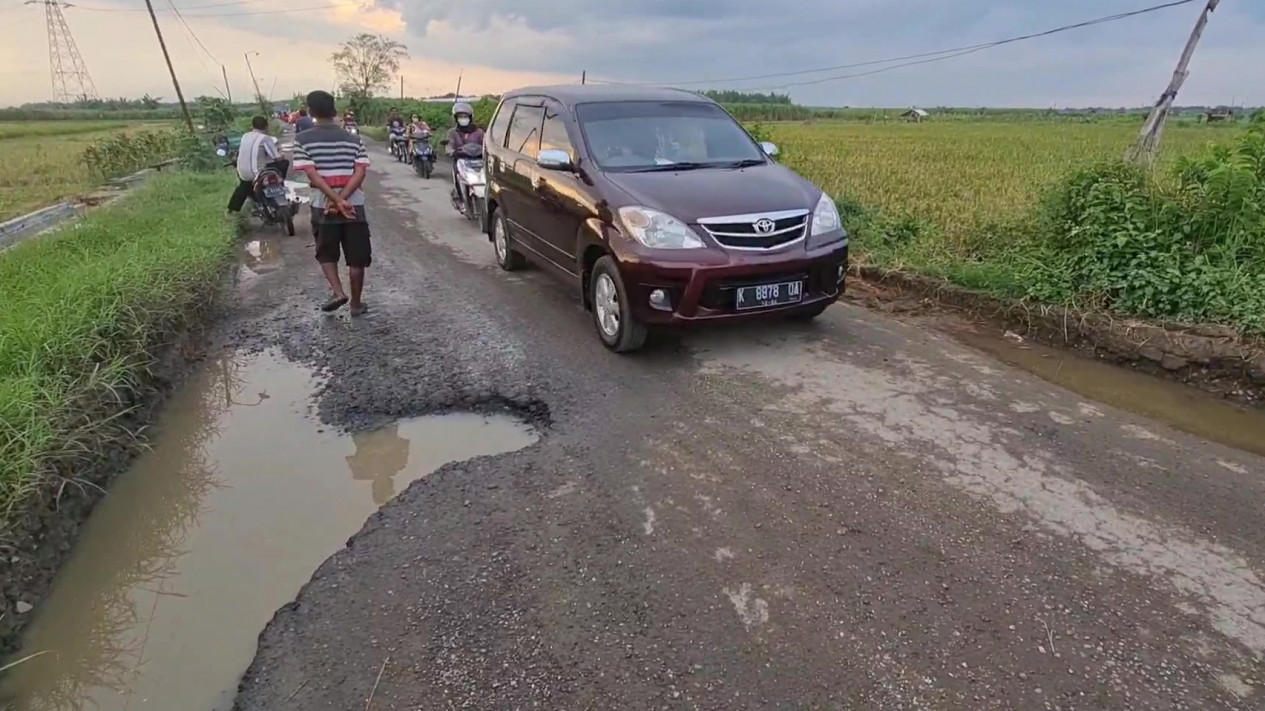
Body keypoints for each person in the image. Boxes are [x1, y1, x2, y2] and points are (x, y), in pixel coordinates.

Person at [292, 90, 373, 317]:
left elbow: (313, 176)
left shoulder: (302, 140)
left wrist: (334, 201)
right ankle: (356, 304)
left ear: (309, 112)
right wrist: (344, 199)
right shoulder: (354, 139)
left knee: (327, 252)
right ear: (334, 110)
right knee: (357, 256)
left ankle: (338, 292)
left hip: (322, 204)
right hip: (354, 204)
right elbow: (360, 173)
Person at [226, 115, 287, 215]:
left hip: (243, 173)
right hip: (258, 174)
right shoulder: (265, 138)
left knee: (243, 187)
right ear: (266, 126)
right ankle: (280, 182)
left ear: (253, 126)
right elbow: (276, 157)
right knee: (283, 163)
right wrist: (282, 156)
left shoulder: (245, 136)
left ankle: (231, 210)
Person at [445, 101, 484, 201]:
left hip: (479, 161)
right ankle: (459, 195)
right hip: (461, 160)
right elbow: (449, 144)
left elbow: (485, 143)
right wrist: (451, 151)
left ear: (470, 117)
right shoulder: (452, 132)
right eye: (460, 116)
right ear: (456, 118)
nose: (463, 119)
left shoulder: (479, 132)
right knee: (458, 174)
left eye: (465, 116)